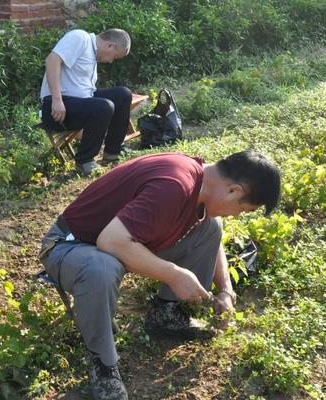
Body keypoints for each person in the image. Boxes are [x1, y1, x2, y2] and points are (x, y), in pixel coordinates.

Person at [39, 150, 281, 400]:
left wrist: (225, 290)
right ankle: (103, 365)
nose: (236, 215)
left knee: (210, 227)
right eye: (243, 209)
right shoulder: (174, 185)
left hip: (113, 241)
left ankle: (167, 314)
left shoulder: (200, 182)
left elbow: (212, 236)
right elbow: (110, 241)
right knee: (102, 268)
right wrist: (174, 275)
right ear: (233, 191)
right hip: (70, 244)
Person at [40, 28, 132, 176]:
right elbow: (52, 61)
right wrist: (57, 100)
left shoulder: (93, 54)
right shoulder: (79, 38)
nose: (110, 61)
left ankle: (112, 152)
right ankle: (84, 161)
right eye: (114, 57)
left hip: (82, 103)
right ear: (110, 45)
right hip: (56, 107)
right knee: (104, 106)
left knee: (124, 94)